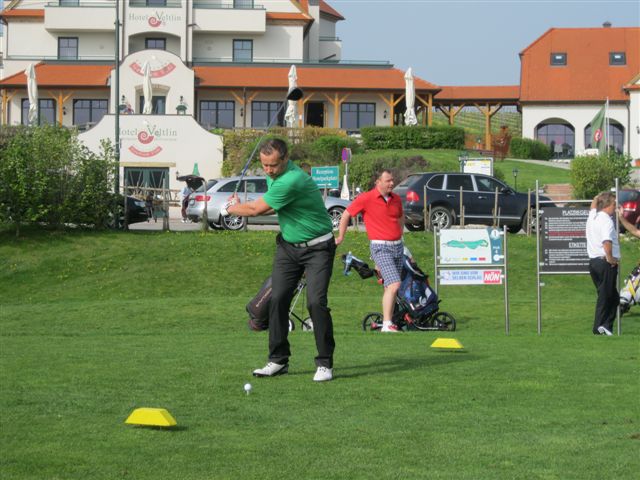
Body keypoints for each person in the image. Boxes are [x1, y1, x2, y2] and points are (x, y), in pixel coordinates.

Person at [222, 138, 337, 382]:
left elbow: (256, 210)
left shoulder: (293, 179)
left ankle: (325, 363)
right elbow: (273, 206)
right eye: (264, 165)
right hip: (288, 247)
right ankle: (278, 360)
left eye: (273, 165)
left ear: (285, 159)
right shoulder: (275, 176)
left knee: (316, 303)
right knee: (277, 299)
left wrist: (231, 208)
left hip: (318, 248)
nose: (268, 170)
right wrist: (240, 206)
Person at [336, 169, 404, 332]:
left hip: (398, 246)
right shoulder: (366, 198)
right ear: (378, 182)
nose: (392, 183)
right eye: (388, 180)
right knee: (394, 284)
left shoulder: (396, 199)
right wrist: (340, 236)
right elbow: (346, 214)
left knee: (389, 287)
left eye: (392, 180)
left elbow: (400, 217)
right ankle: (387, 324)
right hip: (380, 247)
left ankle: (389, 321)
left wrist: (400, 236)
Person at [586, 192, 621, 336]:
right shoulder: (606, 220)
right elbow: (606, 242)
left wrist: (597, 197)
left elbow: (593, 207)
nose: (615, 207)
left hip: (594, 263)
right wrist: (611, 259)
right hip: (605, 263)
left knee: (613, 297)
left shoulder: (593, 217)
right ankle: (598, 327)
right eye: (614, 204)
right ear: (607, 205)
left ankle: (605, 327)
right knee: (605, 297)